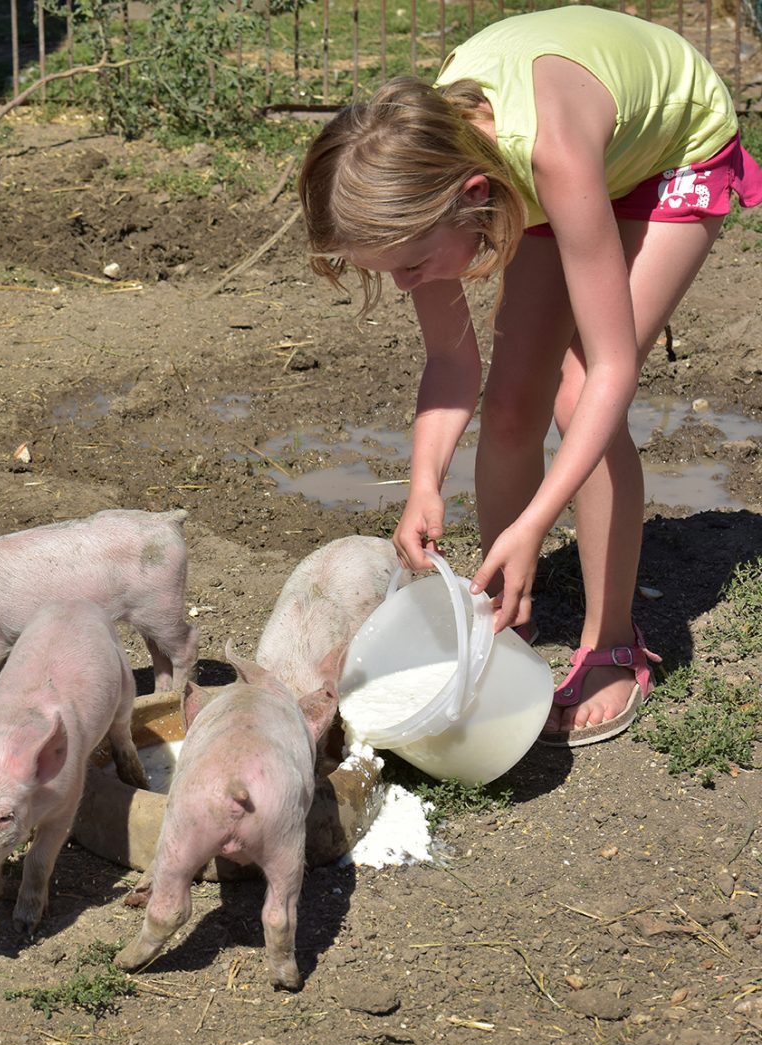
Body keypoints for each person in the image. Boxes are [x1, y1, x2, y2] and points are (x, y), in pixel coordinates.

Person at [299, 5, 761, 747]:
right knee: (513, 402)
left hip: (672, 149)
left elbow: (613, 367)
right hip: (563, 161)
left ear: (475, 199)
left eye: (414, 267)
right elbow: (454, 364)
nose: (412, 286)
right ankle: (505, 606)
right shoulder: (428, 174)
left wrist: (536, 522)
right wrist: (424, 482)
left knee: (581, 395)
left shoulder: (543, 160)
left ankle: (612, 644)